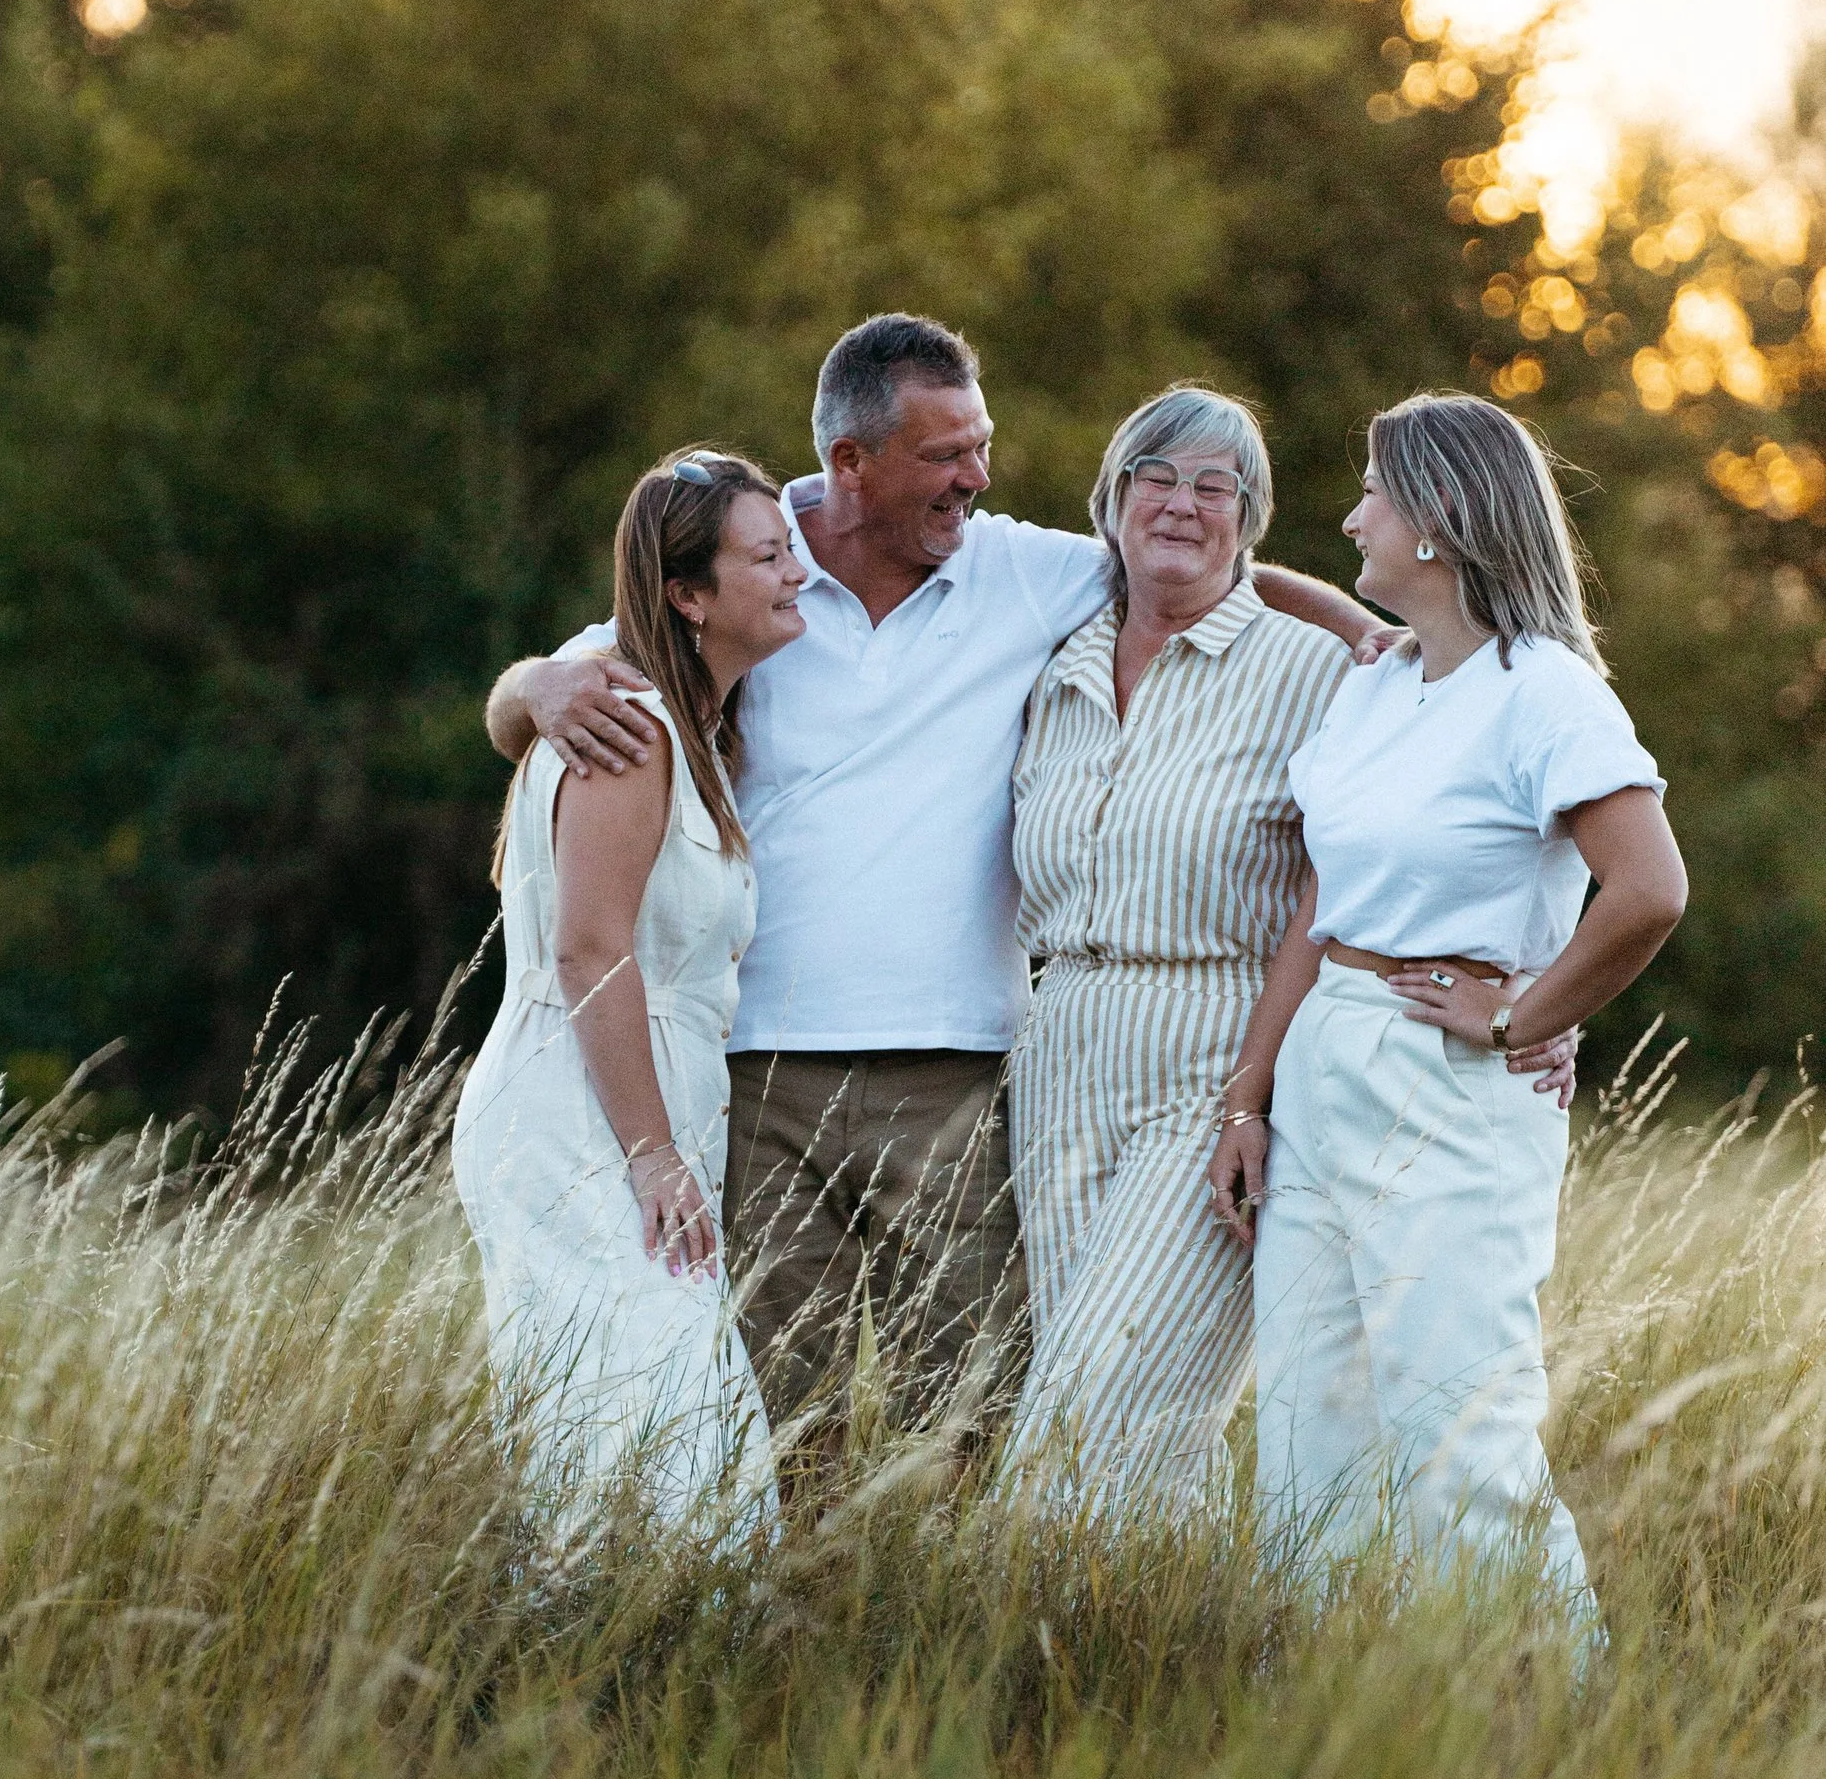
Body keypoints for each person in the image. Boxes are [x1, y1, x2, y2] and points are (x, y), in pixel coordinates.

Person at [486, 317, 1377, 1478]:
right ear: (850, 463)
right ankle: (810, 1632)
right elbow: (566, 694)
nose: (978, 477)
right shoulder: (753, 573)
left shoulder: (1021, 568)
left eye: (980, 445)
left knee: (969, 1407)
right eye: (946, 453)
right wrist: (536, 684)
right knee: (783, 1412)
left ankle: (966, 1626)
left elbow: (1205, 560)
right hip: (756, 1077)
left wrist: (1371, 635)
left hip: (959, 1070)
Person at [1008, 386, 1577, 1506]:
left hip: (1219, 1048)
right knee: (1138, 1429)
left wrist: (1542, 994)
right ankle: (1165, 1663)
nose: (1179, 503)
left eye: (1213, 487)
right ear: (1110, 498)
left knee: (1082, 1421)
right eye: (1154, 477)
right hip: (1061, 1051)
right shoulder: (1049, 664)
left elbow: (1432, 841)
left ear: (1250, 517)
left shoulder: (1329, 673)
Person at [1209, 392, 1688, 1609]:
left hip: (1450, 1078)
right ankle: (1333, 1722)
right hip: (1326, 1055)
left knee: (1454, 1426)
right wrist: (1250, 1092)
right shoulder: (1379, 685)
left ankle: (1549, 1723)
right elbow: (1317, 904)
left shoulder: (1547, 694)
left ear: (1435, 521)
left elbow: (1645, 891)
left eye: (1372, 489)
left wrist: (1527, 1015)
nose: (1349, 514)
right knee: (1312, 1431)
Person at [453, 448, 807, 1519]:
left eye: (790, 549)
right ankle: (595, 1655)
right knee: (652, 1429)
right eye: (766, 556)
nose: (796, 573)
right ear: (685, 593)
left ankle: (631, 1662)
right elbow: (587, 949)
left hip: (638, 1116)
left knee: (645, 1425)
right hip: (579, 1122)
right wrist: (652, 1157)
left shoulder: (689, 731)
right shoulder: (631, 727)